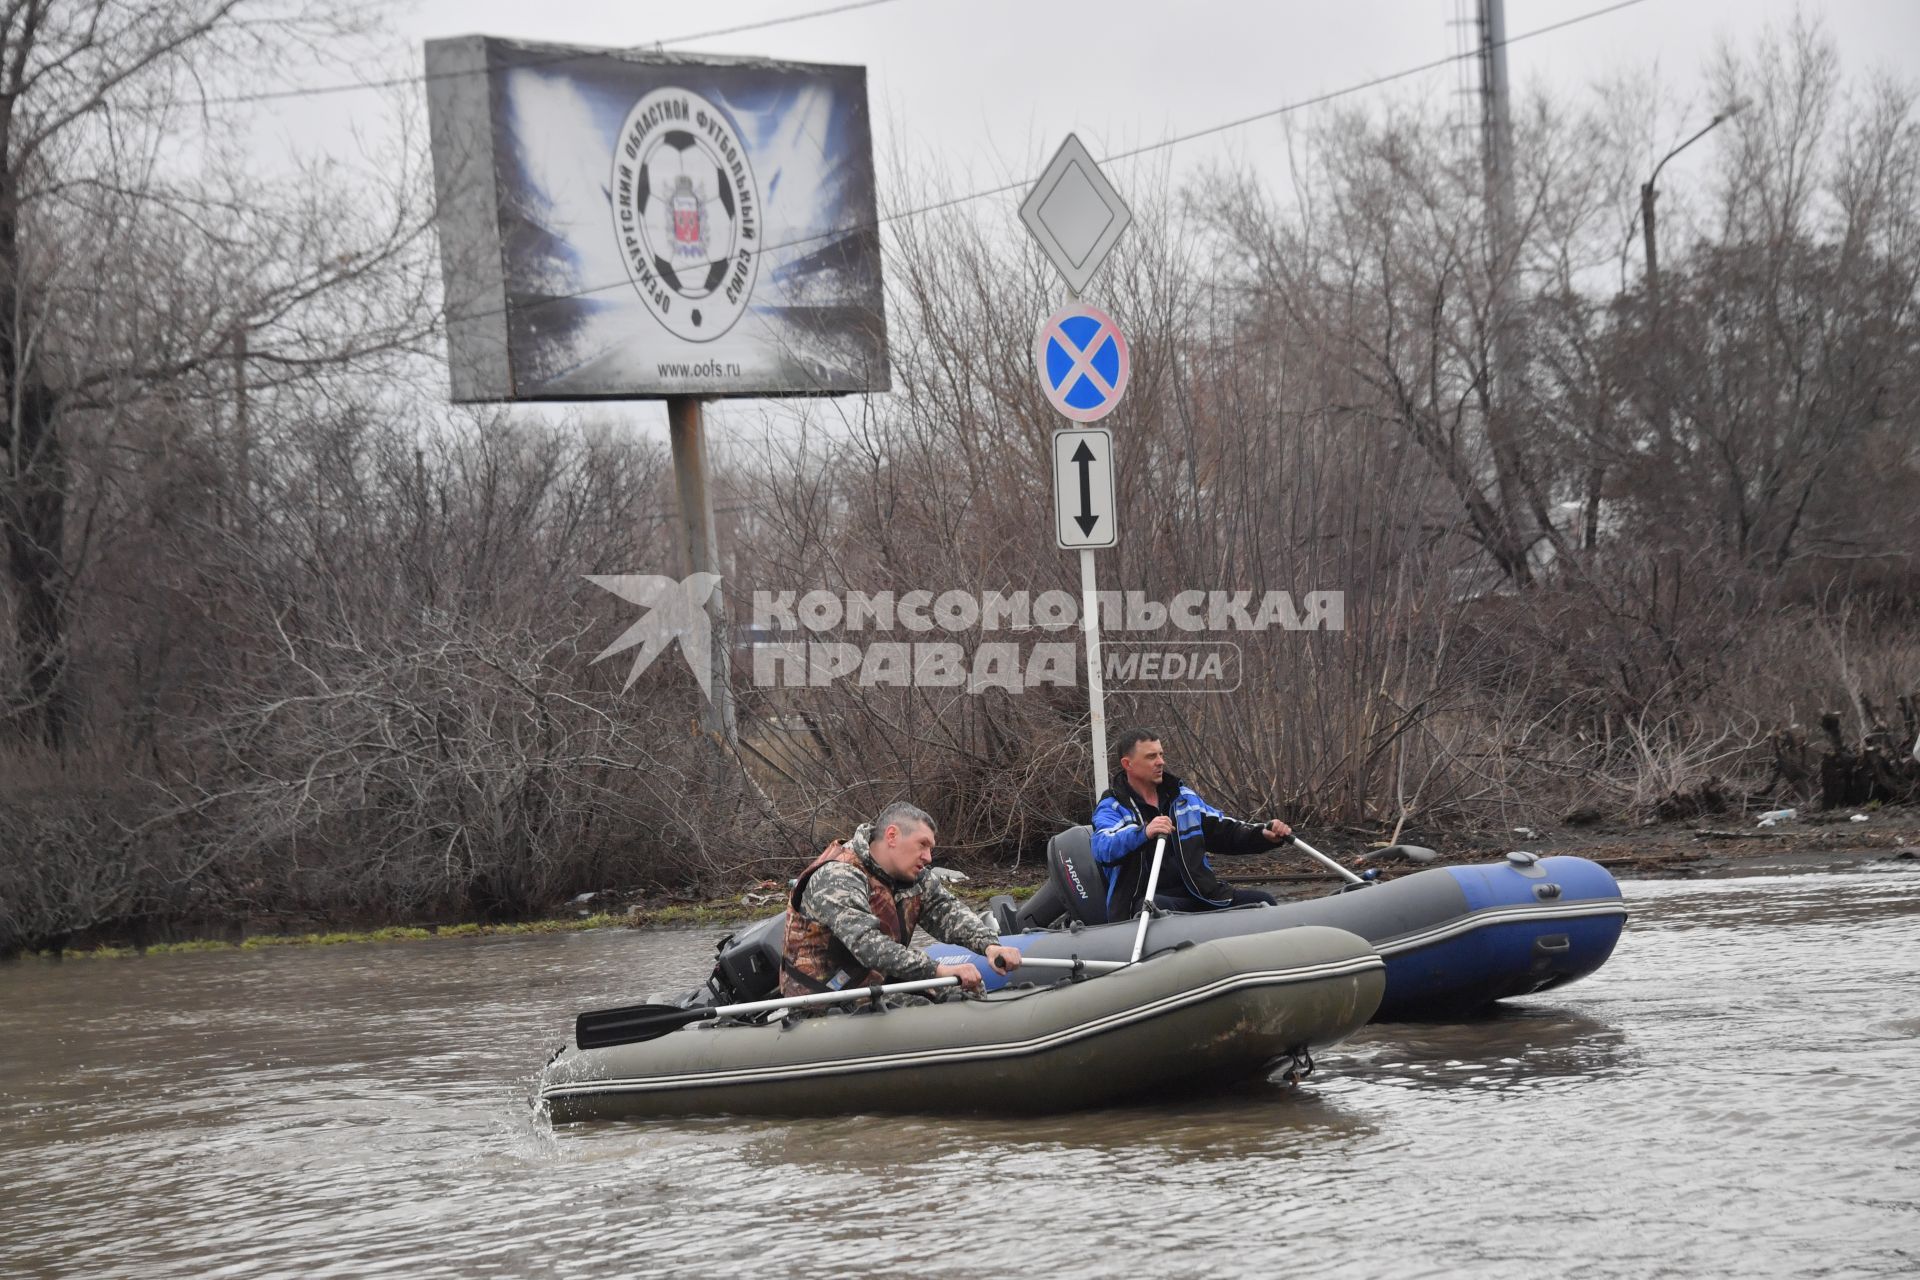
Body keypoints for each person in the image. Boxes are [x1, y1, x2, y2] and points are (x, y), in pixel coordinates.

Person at [781, 802, 1022, 999]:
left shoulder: (910, 876)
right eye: (922, 845)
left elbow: (947, 911)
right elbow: (867, 944)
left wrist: (990, 946)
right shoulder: (838, 875)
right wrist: (936, 969)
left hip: (873, 982)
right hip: (828, 995)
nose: (928, 857)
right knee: (929, 1012)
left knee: (967, 992)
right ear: (892, 836)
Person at [1090, 730, 1292, 918]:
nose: (1161, 762)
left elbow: (1223, 830)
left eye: (1161, 755)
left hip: (1200, 894)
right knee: (1155, 909)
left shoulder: (1183, 798)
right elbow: (1102, 847)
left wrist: (1262, 835)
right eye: (1151, 757)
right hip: (1150, 901)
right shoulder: (1112, 806)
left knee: (1263, 900)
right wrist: (1144, 832)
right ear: (1128, 764)